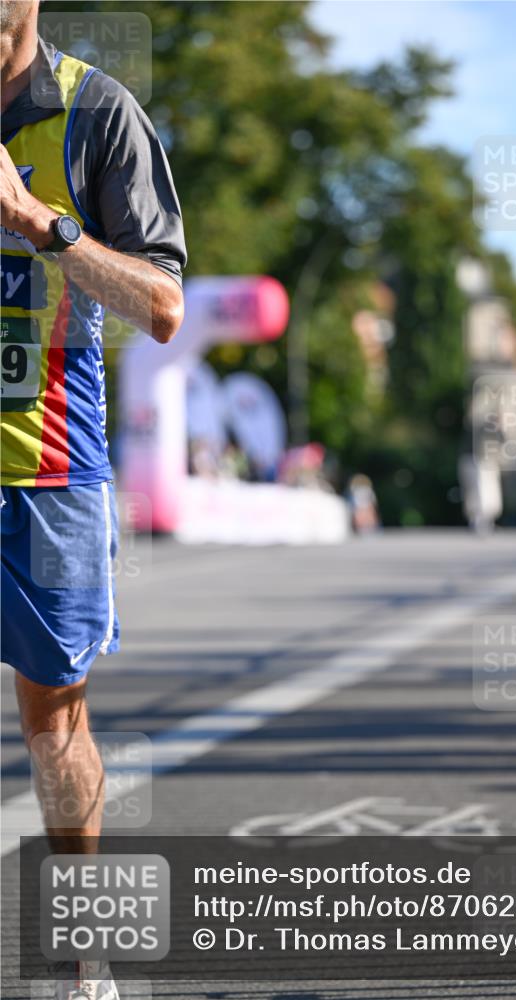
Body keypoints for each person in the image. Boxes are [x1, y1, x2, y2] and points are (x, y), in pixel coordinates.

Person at [0, 2, 187, 997]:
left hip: (48, 469)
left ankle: (83, 963)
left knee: (54, 726)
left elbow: (160, 307)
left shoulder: (95, 112)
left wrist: (37, 222)